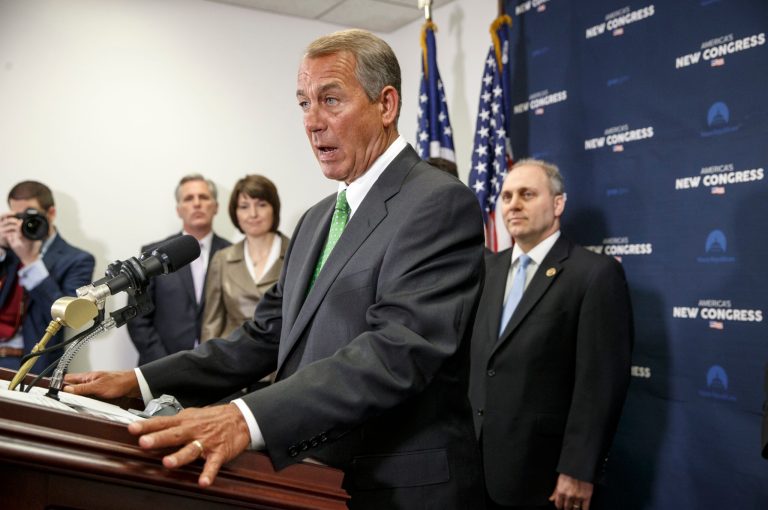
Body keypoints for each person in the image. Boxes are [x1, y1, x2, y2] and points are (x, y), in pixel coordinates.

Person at [65, 29, 485, 509]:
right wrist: (140, 383)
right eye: (304, 104)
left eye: (331, 99)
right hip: (314, 480)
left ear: (386, 105)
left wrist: (244, 418)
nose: (313, 122)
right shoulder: (316, 219)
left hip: (401, 489)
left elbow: (396, 352)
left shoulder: (437, 203)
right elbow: (265, 335)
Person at [468, 159, 633, 510]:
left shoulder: (594, 275)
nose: (513, 204)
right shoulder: (487, 269)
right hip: (472, 468)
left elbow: (600, 385)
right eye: (508, 195)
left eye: (527, 194)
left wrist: (578, 469)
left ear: (558, 204)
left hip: (544, 479)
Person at [127, 174, 230, 364]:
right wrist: (166, 367)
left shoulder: (233, 254)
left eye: (204, 197)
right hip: (160, 369)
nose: (197, 204)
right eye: (189, 198)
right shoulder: (152, 255)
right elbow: (138, 319)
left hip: (218, 369)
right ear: (178, 210)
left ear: (216, 207)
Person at [0, 181, 95, 372]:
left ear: (51, 213)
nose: (23, 222)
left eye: (30, 215)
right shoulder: (6, 251)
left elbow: (69, 316)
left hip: (32, 365)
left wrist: (30, 261)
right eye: (18, 216)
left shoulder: (77, 259)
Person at [200, 174, 288, 343]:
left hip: (281, 360)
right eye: (244, 206)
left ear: (274, 209)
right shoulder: (222, 259)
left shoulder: (296, 252)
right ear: (235, 213)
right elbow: (211, 325)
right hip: (233, 360)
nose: (253, 214)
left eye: (261, 205)